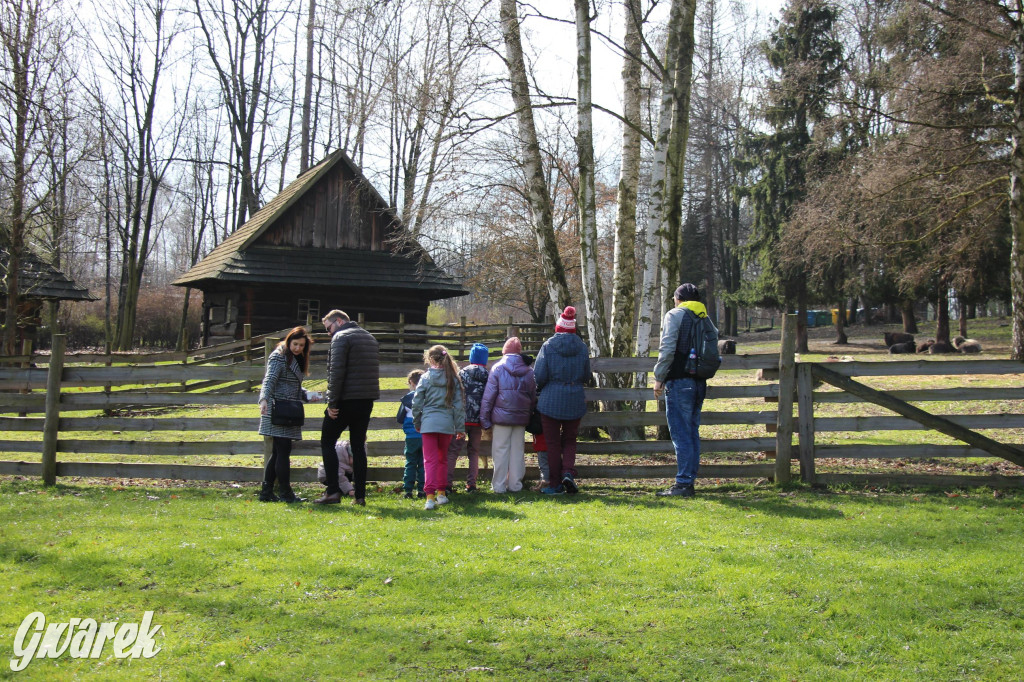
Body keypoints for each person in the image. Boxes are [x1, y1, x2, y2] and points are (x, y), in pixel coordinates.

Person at [314, 309, 380, 506]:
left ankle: (333, 491)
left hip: (345, 400)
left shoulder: (341, 338)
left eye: (329, 328)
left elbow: (336, 372)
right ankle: (360, 496)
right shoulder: (370, 338)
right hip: (366, 400)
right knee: (358, 447)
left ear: (339, 321)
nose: (328, 333)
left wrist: (332, 403)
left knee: (327, 441)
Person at [653, 283, 709, 498]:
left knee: (681, 434)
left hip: (679, 381)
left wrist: (659, 378)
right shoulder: (704, 317)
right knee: (692, 432)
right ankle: (689, 481)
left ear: (678, 299)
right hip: (699, 381)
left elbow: (667, 348)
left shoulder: (675, 315)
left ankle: (684, 484)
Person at [534, 306, 591, 495]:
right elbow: (586, 375)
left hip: (550, 400)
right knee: (570, 440)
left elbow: (539, 375)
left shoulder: (548, 345)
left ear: (559, 327)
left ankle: (555, 484)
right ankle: (568, 471)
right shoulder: (582, 347)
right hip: (574, 398)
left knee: (552, 443)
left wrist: (541, 389)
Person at [258, 326, 318, 503]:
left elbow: (293, 386)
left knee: (277, 452)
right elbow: (269, 380)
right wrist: (263, 399)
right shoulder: (279, 356)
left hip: (289, 410)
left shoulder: (296, 359)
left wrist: (307, 395)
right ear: (288, 341)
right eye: (295, 344)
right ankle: (285, 493)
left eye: (301, 345)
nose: (298, 348)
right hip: (277, 409)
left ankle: (266, 492)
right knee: (283, 451)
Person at [412, 345, 466, 510]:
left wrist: (417, 421)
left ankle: (429, 496)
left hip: (428, 424)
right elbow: (458, 405)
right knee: (442, 459)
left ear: (430, 359)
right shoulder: (453, 379)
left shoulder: (426, 378)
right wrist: (460, 428)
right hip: (447, 424)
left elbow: (416, 402)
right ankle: (441, 493)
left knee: (429, 460)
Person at [480, 337, 536, 493]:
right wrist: (528, 413)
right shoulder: (529, 371)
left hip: (501, 417)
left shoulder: (497, 368)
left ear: (505, 351)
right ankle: (515, 485)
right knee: (518, 451)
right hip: (520, 418)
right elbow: (532, 397)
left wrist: (484, 418)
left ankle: (499, 486)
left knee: (500, 450)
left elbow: (489, 396)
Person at [446, 343, 489, 494]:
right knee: (474, 452)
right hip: (478, 420)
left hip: (461, 419)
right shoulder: (487, 375)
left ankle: (447, 484)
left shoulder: (462, 374)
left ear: (471, 358)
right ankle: (471, 484)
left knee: (453, 451)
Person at [396, 369, 426, 499]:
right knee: (423, 464)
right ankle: (422, 490)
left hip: (411, 437)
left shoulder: (407, 399)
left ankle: (408, 490)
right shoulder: (427, 397)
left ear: (411, 382)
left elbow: (399, 418)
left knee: (410, 462)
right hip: (425, 436)